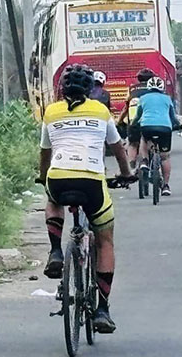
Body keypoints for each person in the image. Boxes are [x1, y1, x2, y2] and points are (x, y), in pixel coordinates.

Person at [40, 64, 134, 333]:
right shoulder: (101, 110)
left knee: (52, 200)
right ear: (91, 88)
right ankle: (102, 309)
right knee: (105, 241)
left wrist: (43, 176)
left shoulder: (51, 112)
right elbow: (117, 148)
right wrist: (126, 174)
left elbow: (45, 153)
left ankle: (56, 251)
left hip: (58, 178)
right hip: (92, 181)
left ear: (62, 89)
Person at [131, 76, 181, 196]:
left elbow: (138, 115)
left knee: (144, 139)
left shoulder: (143, 98)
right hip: (165, 128)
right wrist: (178, 125)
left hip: (147, 126)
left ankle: (144, 161)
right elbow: (173, 117)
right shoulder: (167, 99)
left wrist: (133, 124)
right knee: (165, 157)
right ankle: (166, 186)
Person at [117, 68, 156, 166]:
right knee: (149, 140)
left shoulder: (132, 89)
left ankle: (131, 164)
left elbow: (126, 108)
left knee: (132, 143)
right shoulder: (154, 89)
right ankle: (147, 161)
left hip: (133, 121)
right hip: (150, 121)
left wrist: (119, 121)